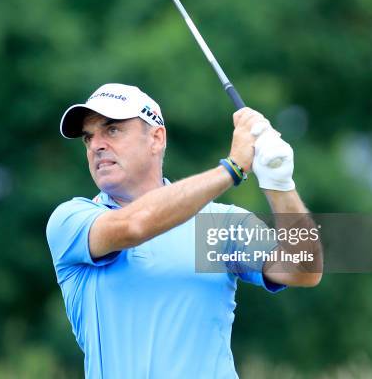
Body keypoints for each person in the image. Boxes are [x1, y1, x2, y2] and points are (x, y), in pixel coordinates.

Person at [46, 83, 322, 378]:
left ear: (156, 138)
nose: (96, 145)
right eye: (89, 138)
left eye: (112, 130)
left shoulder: (216, 225)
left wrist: (280, 185)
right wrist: (232, 169)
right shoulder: (73, 220)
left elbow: (303, 269)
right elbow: (135, 225)